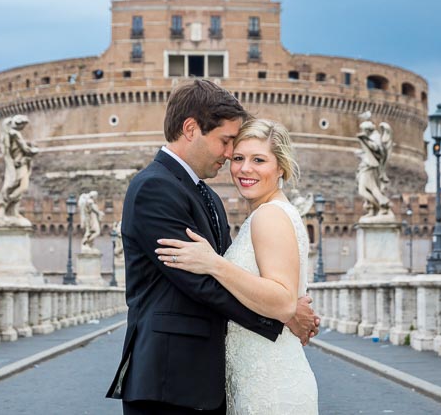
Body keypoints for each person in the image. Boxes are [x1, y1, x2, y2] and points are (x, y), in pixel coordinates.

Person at [106, 80, 318, 414]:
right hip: (169, 379)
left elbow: (229, 271)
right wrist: (283, 316)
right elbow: (199, 283)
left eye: (255, 158)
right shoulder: (155, 188)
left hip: (204, 381)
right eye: (226, 143)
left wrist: (284, 305)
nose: (230, 156)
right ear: (191, 129)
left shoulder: (209, 197)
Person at [155, 118, 318, 414]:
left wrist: (214, 264)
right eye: (239, 158)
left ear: (280, 167)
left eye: (259, 160)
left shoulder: (270, 216)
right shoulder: (267, 215)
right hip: (257, 376)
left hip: (269, 382)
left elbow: (282, 303)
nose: (245, 169)